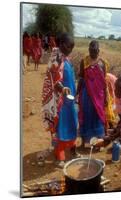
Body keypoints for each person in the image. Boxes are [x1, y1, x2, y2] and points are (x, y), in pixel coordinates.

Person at [42, 33, 78, 167]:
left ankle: (73, 150)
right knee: (61, 126)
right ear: (61, 44)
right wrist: (62, 89)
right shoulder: (55, 57)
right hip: (60, 101)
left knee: (73, 123)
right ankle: (60, 156)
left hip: (70, 99)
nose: (71, 49)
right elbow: (53, 80)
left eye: (72, 47)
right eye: (69, 46)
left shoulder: (66, 58)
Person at [77, 40, 113, 146]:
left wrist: (106, 97)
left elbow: (104, 82)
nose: (93, 53)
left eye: (95, 51)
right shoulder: (84, 61)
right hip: (86, 95)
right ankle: (85, 141)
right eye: (91, 50)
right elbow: (81, 78)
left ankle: (99, 142)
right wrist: (77, 93)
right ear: (88, 50)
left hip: (99, 96)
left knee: (98, 116)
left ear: (99, 50)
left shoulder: (103, 63)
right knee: (86, 116)